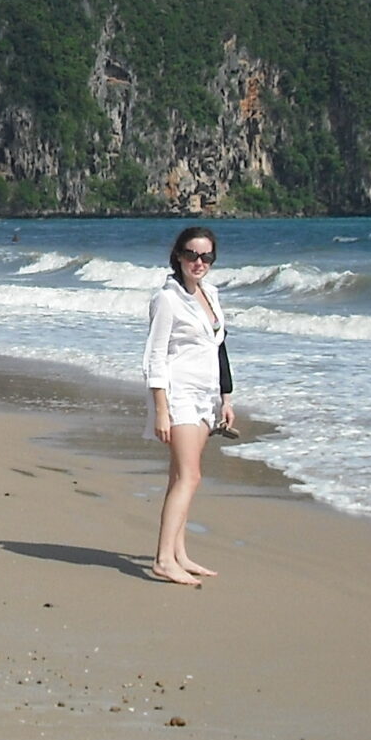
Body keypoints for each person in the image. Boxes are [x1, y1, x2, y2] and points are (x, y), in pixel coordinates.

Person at [142, 225, 234, 586]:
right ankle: (163, 559)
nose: (199, 262)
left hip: (205, 396)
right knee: (190, 476)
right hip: (177, 395)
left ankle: (179, 552)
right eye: (192, 255)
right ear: (178, 256)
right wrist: (161, 409)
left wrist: (226, 397)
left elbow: (220, 346)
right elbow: (154, 357)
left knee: (180, 476)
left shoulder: (210, 294)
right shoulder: (166, 299)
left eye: (206, 256)